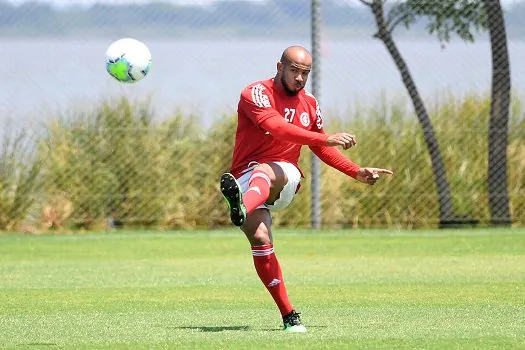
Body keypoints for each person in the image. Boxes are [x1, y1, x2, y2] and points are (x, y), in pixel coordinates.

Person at [219, 46, 393, 333]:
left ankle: (241, 207)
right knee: (261, 240)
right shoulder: (255, 93)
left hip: (284, 176)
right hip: (245, 180)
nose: (300, 78)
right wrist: (326, 138)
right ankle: (290, 316)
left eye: (305, 73)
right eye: (294, 70)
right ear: (279, 66)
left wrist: (355, 171)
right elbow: (277, 127)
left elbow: (317, 148)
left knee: (266, 170)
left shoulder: (310, 104)